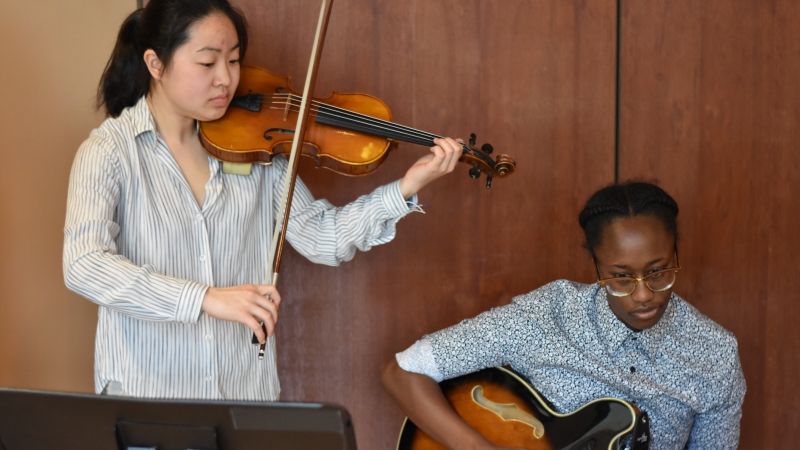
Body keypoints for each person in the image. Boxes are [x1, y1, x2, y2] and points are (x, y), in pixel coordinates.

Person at [63, 0, 463, 401]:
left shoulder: (256, 148)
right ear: (155, 64)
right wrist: (205, 298)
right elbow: (83, 264)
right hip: (146, 396)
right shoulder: (109, 152)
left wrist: (408, 186)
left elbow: (321, 237)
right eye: (207, 63)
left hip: (244, 397)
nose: (227, 79)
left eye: (235, 61)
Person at [382, 182, 745, 450]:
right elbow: (403, 372)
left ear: (676, 255)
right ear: (597, 266)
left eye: (658, 272)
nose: (642, 294)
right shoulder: (546, 316)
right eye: (620, 277)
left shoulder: (715, 355)